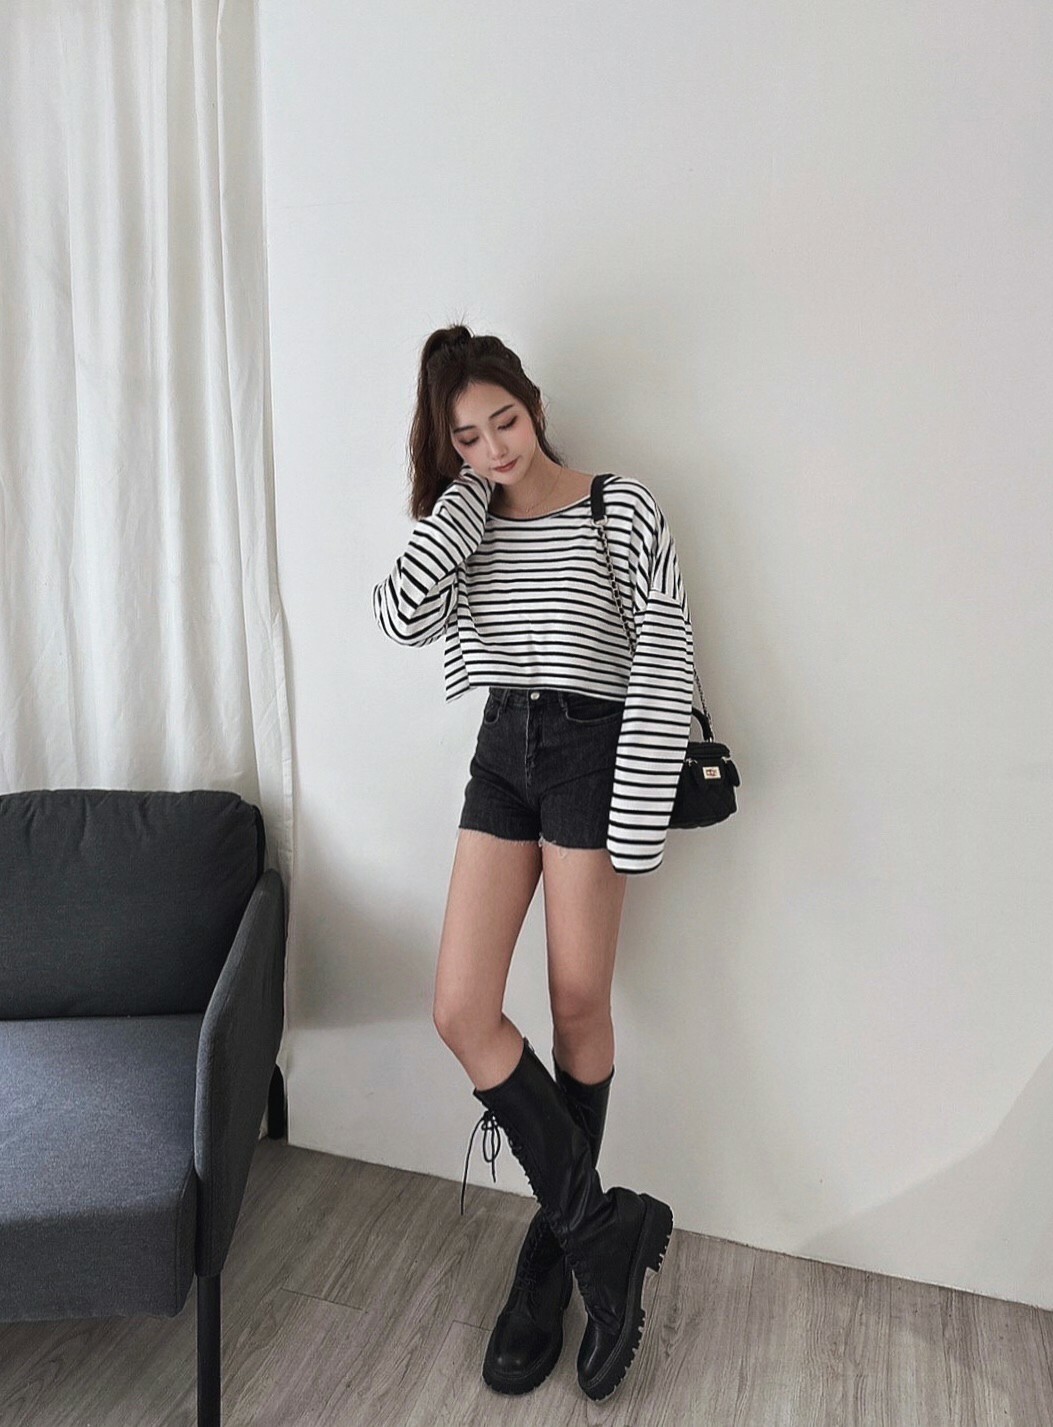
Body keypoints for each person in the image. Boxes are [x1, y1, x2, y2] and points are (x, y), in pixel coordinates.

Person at [371, 324, 695, 1402]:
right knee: (462, 1007)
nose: (494, 447)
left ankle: (550, 1259)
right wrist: (461, 499)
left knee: (575, 1002)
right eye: (465, 438)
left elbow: (666, 654)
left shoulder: (618, 505)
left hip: (595, 753)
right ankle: (598, 1229)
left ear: (536, 403)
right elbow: (400, 616)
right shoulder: (467, 520)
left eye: (503, 421)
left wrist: (633, 825)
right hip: (501, 752)